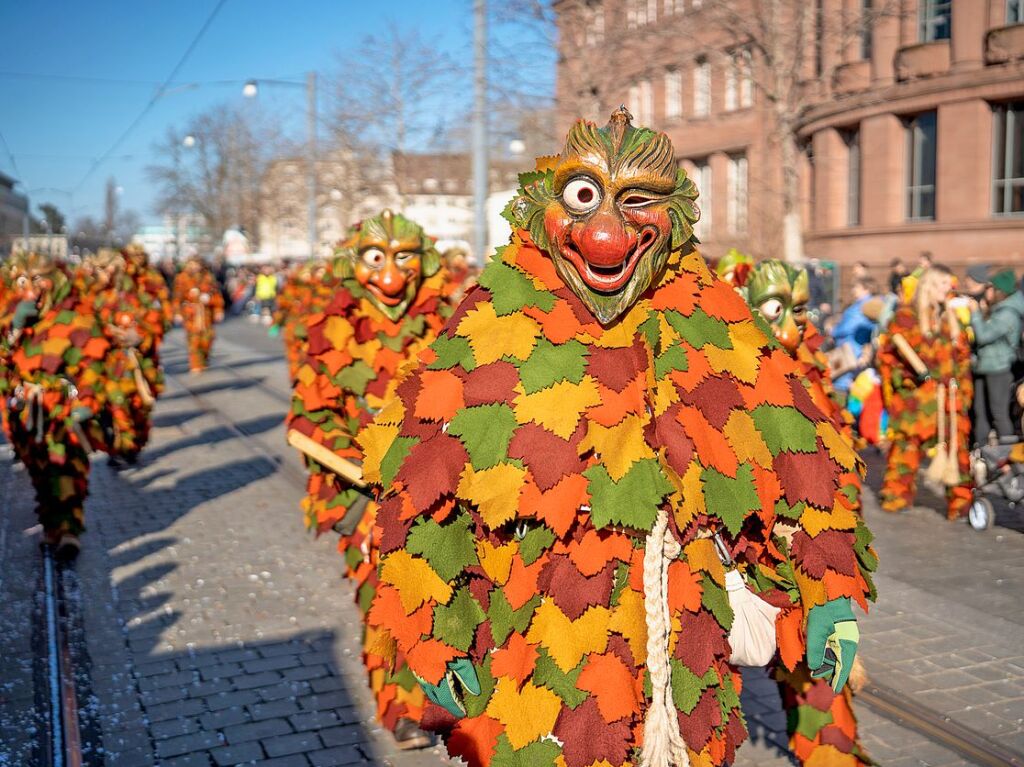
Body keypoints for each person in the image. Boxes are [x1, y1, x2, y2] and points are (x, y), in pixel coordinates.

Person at [359, 109, 875, 767]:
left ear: (676, 217)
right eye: (584, 198)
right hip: (540, 626)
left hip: (681, 625)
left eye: (637, 202)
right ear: (547, 207)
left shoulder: (713, 318)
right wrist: (438, 627)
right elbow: (423, 482)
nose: (607, 233)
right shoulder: (496, 318)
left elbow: (798, 450)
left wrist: (829, 586)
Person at [287, 210, 456, 748]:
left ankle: (443, 693)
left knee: (444, 597)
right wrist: (361, 462)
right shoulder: (329, 328)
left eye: (404, 256)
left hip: (438, 491)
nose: (392, 273)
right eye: (378, 258)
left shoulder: (448, 322)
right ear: (355, 263)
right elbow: (308, 419)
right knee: (384, 600)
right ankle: (401, 708)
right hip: (366, 496)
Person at [736, 259, 870, 766]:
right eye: (776, 309)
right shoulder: (739, 371)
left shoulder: (809, 373)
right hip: (751, 547)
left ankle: (830, 756)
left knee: (817, 667)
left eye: (799, 309)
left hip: (809, 548)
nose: (792, 324)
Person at [0, 252, 110, 558]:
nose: (32, 288)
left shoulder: (76, 316)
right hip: (27, 408)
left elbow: (92, 361)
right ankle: (52, 526)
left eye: (38, 279)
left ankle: (69, 531)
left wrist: (87, 400)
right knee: (40, 469)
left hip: (62, 406)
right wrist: (13, 329)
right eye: (25, 280)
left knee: (66, 466)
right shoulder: (12, 314)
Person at [877, 266, 973, 519]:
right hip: (916, 400)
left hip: (949, 398)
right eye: (942, 284)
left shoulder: (950, 319)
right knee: (906, 448)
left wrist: (961, 390)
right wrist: (908, 379)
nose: (947, 289)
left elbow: (962, 357)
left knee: (957, 449)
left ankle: (960, 503)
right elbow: (888, 356)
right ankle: (897, 495)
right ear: (928, 285)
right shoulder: (906, 317)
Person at [970, 269, 1024, 445]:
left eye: (990, 288)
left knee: (999, 412)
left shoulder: (1008, 312)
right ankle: (982, 451)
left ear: (999, 290)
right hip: (984, 366)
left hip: (999, 368)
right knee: (981, 411)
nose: (987, 292)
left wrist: (976, 314)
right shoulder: (999, 309)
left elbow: (984, 335)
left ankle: (1007, 455)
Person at [172, 256, 224, 373]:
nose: (194, 267)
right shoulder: (182, 278)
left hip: (206, 314)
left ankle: (204, 358)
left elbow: (217, 296)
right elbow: (177, 297)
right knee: (193, 340)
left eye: (197, 264)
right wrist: (177, 313)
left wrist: (218, 310)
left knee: (207, 339)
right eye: (192, 264)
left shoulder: (208, 277)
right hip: (191, 314)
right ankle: (195, 364)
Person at [830, 277, 879, 397]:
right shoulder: (867, 304)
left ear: (866, 289)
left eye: (856, 287)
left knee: (843, 386)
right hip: (854, 351)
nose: (853, 290)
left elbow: (847, 327)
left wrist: (833, 331)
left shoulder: (864, 307)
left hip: (851, 352)